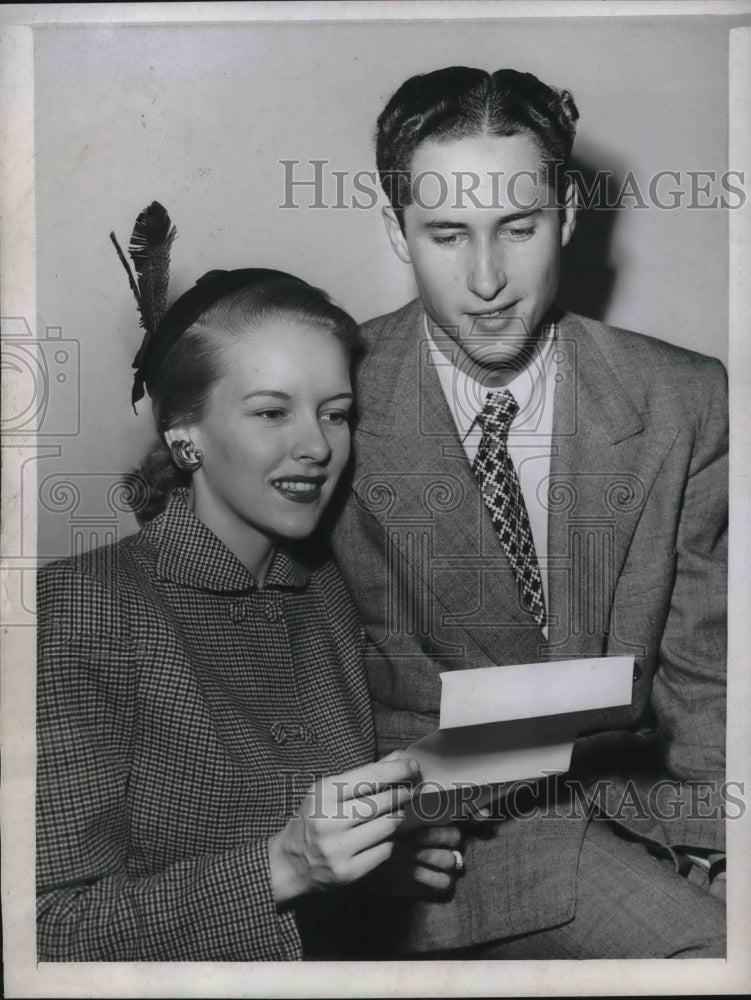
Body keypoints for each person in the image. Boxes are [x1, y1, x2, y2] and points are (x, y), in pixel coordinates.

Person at [329, 67, 727, 958]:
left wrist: (718, 844)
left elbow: (708, 667)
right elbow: (266, 670)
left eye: (518, 228)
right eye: (444, 234)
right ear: (395, 230)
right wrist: (347, 846)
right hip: (433, 857)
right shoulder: (324, 402)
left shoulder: (685, 398)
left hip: (648, 822)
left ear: (569, 217)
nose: (486, 281)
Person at [35, 267, 463, 962]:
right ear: (185, 436)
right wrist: (283, 869)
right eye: (271, 412)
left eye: (335, 413)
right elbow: (45, 932)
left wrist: (366, 869)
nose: (318, 447)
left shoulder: (325, 593)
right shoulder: (84, 605)